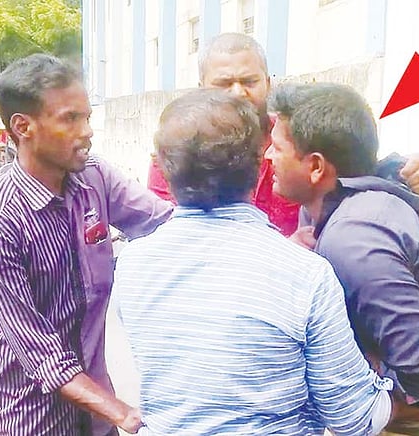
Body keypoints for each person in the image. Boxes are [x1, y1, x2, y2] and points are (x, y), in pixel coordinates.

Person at [113, 88, 393, 435]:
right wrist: (382, 380)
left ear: (163, 169)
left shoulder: (133, 265)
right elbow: (354, 419)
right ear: (261, 162)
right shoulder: (304, 274)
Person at [265, 82, 419, 435]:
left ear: (316, 166)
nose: (268, 156)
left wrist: (357, 406)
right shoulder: (329, 203)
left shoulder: (355, 239)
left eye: (278, 148)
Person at [0, 54, 173, 435]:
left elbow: (165, 224)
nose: (87, 132)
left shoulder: (95, 177)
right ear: (23, 127)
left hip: (98, 417)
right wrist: (124, 414)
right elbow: (39, 353)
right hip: (33, 419)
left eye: (87, 117)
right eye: (70, 119)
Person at [146, 32, 419, 236]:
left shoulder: (302, 135)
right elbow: (173, 238)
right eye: (224, 83)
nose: (238, 93)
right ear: (201, 87)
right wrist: (283, 251)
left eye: (249, 81)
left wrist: (406, 177)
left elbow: (359, 178)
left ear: (268, 83)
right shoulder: (178, 153)